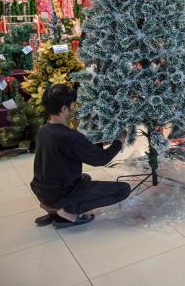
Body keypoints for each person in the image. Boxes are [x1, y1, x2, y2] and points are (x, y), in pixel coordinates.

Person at [30, 84, 131, 228]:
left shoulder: (44, 130)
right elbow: (101, 159)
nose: (75, 108)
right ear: (64, 108)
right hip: (59, 194)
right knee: (123, 189)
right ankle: (65, 210)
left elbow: (75, 149)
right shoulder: (70, 137)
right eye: (73, 105)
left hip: (42, 190)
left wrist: (96, 139)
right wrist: (119, 141)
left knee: (85, 178)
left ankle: (51, 207)